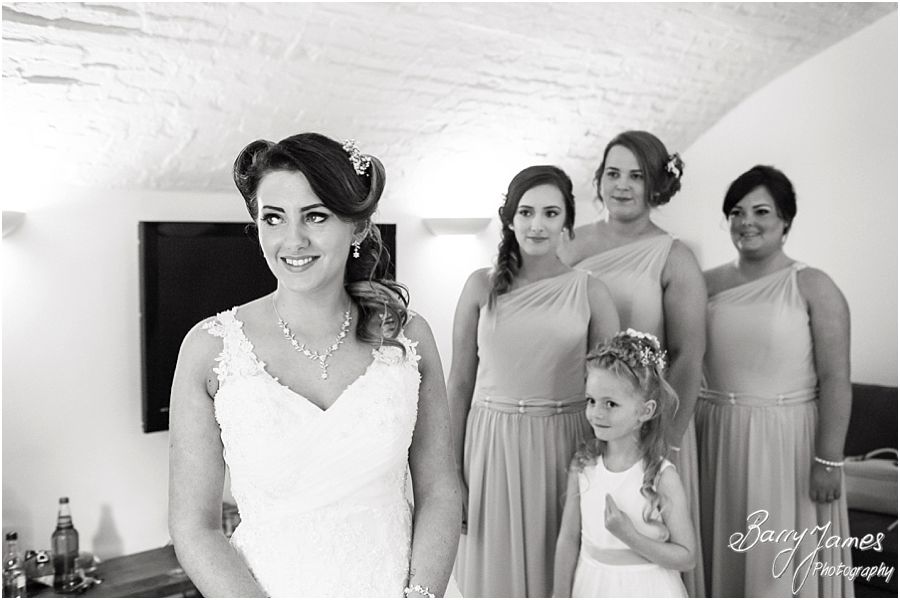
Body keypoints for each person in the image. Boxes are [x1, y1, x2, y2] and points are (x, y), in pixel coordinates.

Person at [167, 133, 460, 597]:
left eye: (316, 216)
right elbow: (194, 527)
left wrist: (419, 596)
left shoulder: (407, 337)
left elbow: (440, 489)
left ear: (358, 227)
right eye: (273, 218)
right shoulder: (210, 349)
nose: (293, 240)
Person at [450, 165, 620, 597]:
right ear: (509, 218)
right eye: (526, 212)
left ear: (567, 220)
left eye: (550, 213)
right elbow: (458, 385)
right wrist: (452, 475)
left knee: (560, 569)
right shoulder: (479, 287)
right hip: (491, 445)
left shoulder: (591, 291)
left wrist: (612, 474)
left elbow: (614, 392)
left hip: (565, 445)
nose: (537, 224)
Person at [559, 130, 706, 596]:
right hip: (582, 411)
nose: (621, 185)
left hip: (648, 426)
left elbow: (688, 355)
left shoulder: (674, 256)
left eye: (636, 175)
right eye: (613, 173)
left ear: (656, 185)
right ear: (599, 179)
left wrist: (666, 440)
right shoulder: (569, 244)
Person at [697, 165, 853, 597]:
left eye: (761, 211)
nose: (747, 222)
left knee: (776, 565)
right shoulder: (704, 284)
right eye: (736, 212)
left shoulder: (814, 285)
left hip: (787, 443)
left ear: (785, 221)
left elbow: (837, 378)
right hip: (716, 436)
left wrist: (829, 460)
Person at [552, 330, 695, 598]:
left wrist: (630, 536)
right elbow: (568, 539)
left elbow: (686, 557)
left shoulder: (661, 477)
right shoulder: (583, 466)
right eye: (591, 401)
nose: (597, 413)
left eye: (611, 404)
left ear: (645, 411)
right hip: (592, 585)